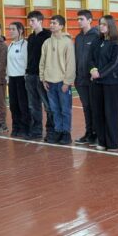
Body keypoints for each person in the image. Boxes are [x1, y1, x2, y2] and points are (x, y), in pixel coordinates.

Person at [89, 15, 118, 151]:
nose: (101, 26)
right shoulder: (97, 41)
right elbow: (90, 58)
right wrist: (92, 69)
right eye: (100, 24)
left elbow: (115, 63)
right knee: (98, 112)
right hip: (97, 82)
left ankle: (113, 143)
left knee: (111, 113)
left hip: (112, 83)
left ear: (111, 25)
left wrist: (100, 73)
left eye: (104, 24)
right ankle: (102, 141)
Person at [39, 15, 76, 145]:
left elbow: (70, 63)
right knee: (54, 109)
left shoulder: (67, 42)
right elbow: (42, 62)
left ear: (61, 26)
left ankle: (66, 133)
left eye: (54, 23)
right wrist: (43, 79)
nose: (51, 25)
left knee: (65, 109)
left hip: (62, 82)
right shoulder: (47, 43)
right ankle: (58, 131)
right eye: (51, 22)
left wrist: (67, 82)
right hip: (49, 82)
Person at [25, 11, 54, 141]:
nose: (30, 23)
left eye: (33, 21)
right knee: (33, 105)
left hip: (43, 76)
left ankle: (51, 131)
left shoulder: (48, 36)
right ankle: (36, 130)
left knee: (48, 105)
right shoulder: (31, 37)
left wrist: (46, 75)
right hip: (30, 75)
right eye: (29, 21)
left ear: (40, 21)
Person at [74, 9, 101, 145]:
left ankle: (96, 134)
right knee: (86, 106)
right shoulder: (78, 38)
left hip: (92, 79)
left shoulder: (96, 36)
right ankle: (89, 132)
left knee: (94, 107)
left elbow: (99, 57)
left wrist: (95, 72)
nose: (79, 21)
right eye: (78, 19)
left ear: (90, 20)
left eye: (82, 19)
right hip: (80, 79)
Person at [7, 22, 30, 138]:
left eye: (13, 29)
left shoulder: (25, 45)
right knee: (13, 105)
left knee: (23, 105)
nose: (10, 31)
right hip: (12, 79)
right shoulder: (10, 45)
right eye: (9, 29)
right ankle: (16, 127)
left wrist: (26, 77)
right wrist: (7, 77)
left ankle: (25, 128)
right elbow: (8, 63)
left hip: (22, 79)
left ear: (20, 30)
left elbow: (27, 62)